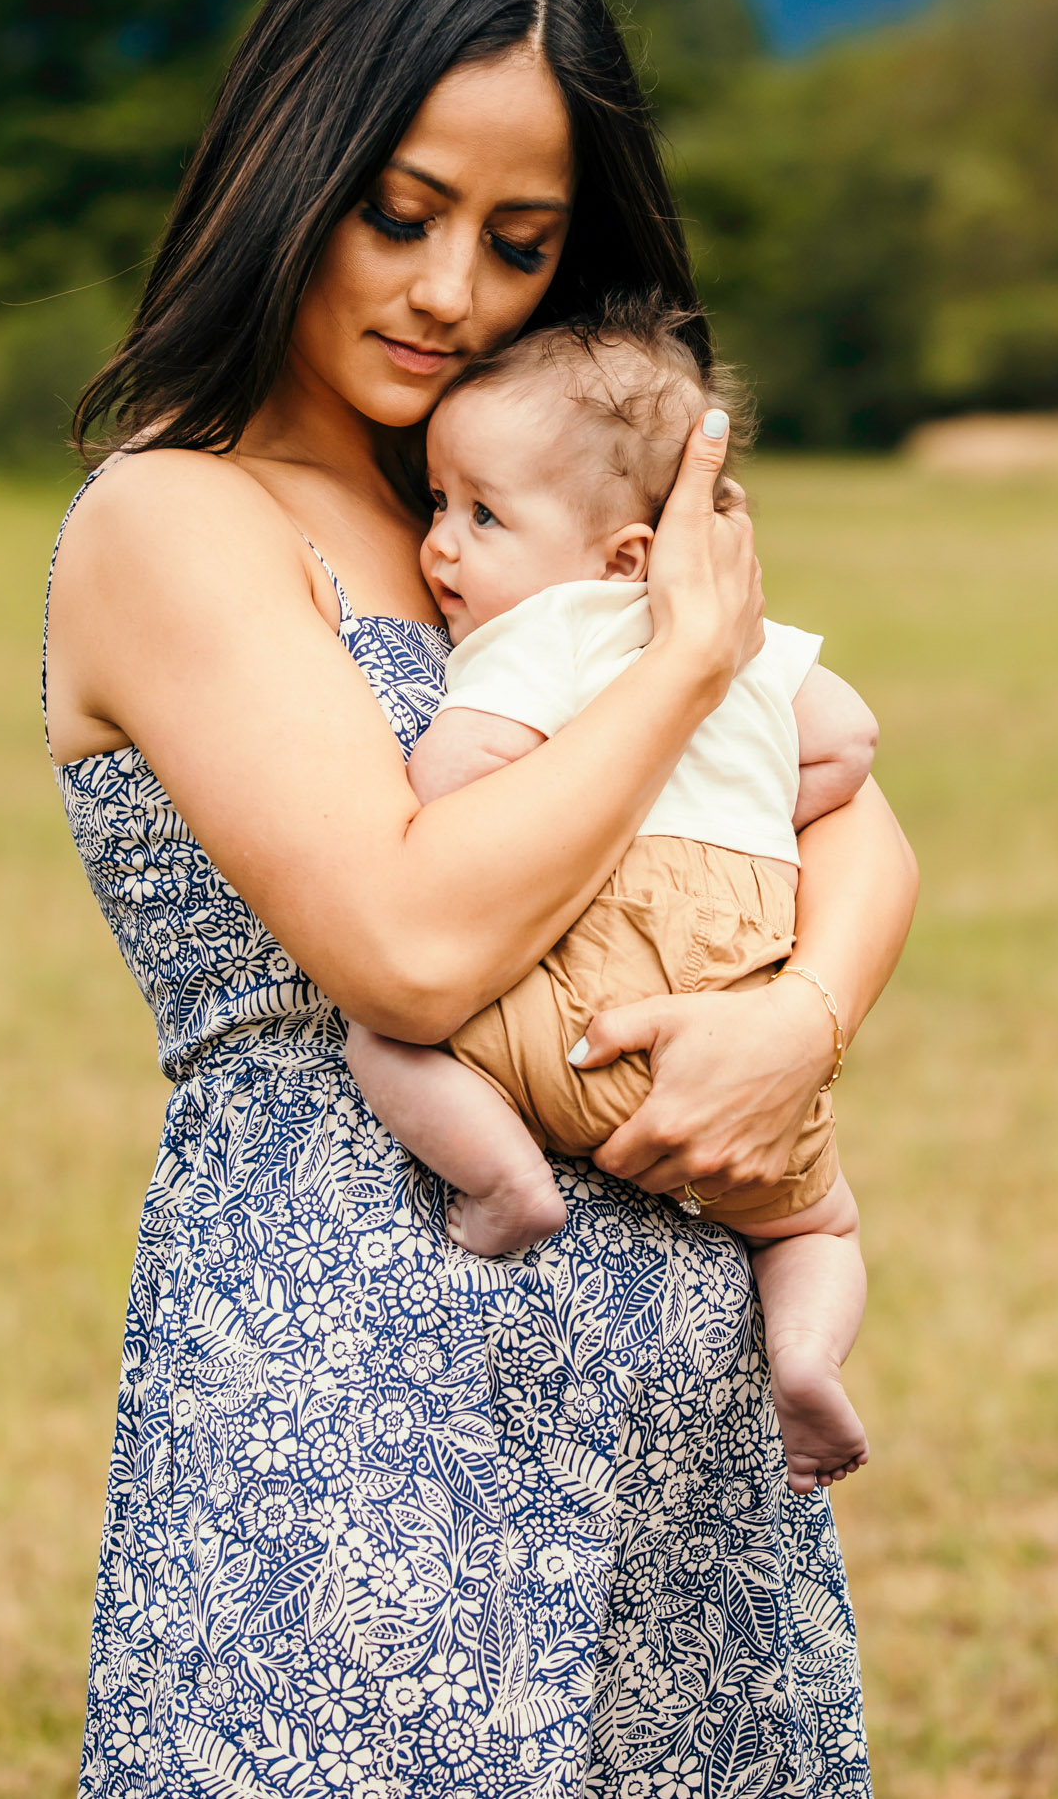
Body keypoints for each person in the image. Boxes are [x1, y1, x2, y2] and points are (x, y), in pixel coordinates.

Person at [42, 0, 918, 1799]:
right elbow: (408, 953)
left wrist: (803, 1023)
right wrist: (680, 656)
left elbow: (852, 818)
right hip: (355, 1380)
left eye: (518, 243)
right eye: (402, 212)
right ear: (293, 169)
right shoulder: (173, 522)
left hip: (678, 1382)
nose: (452, 290)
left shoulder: (513, 503)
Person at [345, 303, 876, 1498]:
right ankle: (802, 1352)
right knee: (816, 1223)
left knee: (385, 1025)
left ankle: (503, 1183)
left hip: (598, 976)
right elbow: (847, 744)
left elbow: (452, 783)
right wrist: (741, 802)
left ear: (624, 557)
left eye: (481, 514)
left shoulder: (546, 630)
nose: (441, 545)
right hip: (741, 977)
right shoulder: (739, 640)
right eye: (438, 505)